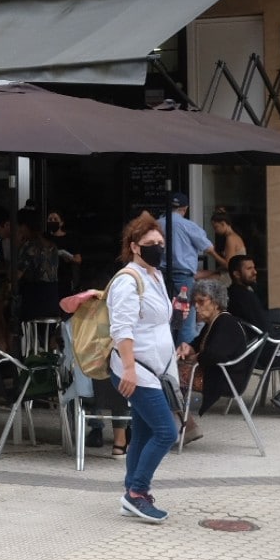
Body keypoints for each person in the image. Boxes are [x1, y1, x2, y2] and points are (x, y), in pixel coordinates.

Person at [109, 212, 179, 523]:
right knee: (166, 431)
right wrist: (129, 370)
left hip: (152, 368)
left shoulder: (155, 276)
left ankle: (131, 493)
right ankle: (137, 492)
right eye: (152, 244)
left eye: (161, 243)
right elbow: (121, 329)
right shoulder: (128, 280)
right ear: (135, 247)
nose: (159, 248)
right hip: (137, 369)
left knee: (144, 431)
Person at [226, 254, 280, 419]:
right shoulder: (245, 297)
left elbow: (259, 324)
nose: (255, 272)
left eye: (254, 268)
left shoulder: (234, 294)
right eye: (249, 269)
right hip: (264, 352)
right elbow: (263, 328)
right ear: (236, 274)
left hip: (253, 349)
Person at [181, 279, 253, 425]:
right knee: (168, 377)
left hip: (224, 379)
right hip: (217, 374)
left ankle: (185, 426)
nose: (197, 306)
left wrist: (195, 358)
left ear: (216, 302)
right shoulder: (214, 322)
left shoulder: (225, 323)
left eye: (202, 301)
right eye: (195, 302)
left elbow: (214, 354)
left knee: (168, 379)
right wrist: (189, 347)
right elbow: (198, 342)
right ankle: (182, 425)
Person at [156, 192, 216, 345]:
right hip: (183, 279)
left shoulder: (156, 225)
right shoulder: (188, 226)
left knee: (166, 317)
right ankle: (184, 359)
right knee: (185, 319)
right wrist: (225, 262)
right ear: (185, 208)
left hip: (161, 277)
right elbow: (208, 248)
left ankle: (168, 354)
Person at [16, 208, 61, 322]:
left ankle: (8, 340)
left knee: (2, 312)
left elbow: (14, 276)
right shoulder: (52, 245)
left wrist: (16, 247)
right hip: (52, 300)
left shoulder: (29, 247)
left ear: (24, 226)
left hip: (34, 302)